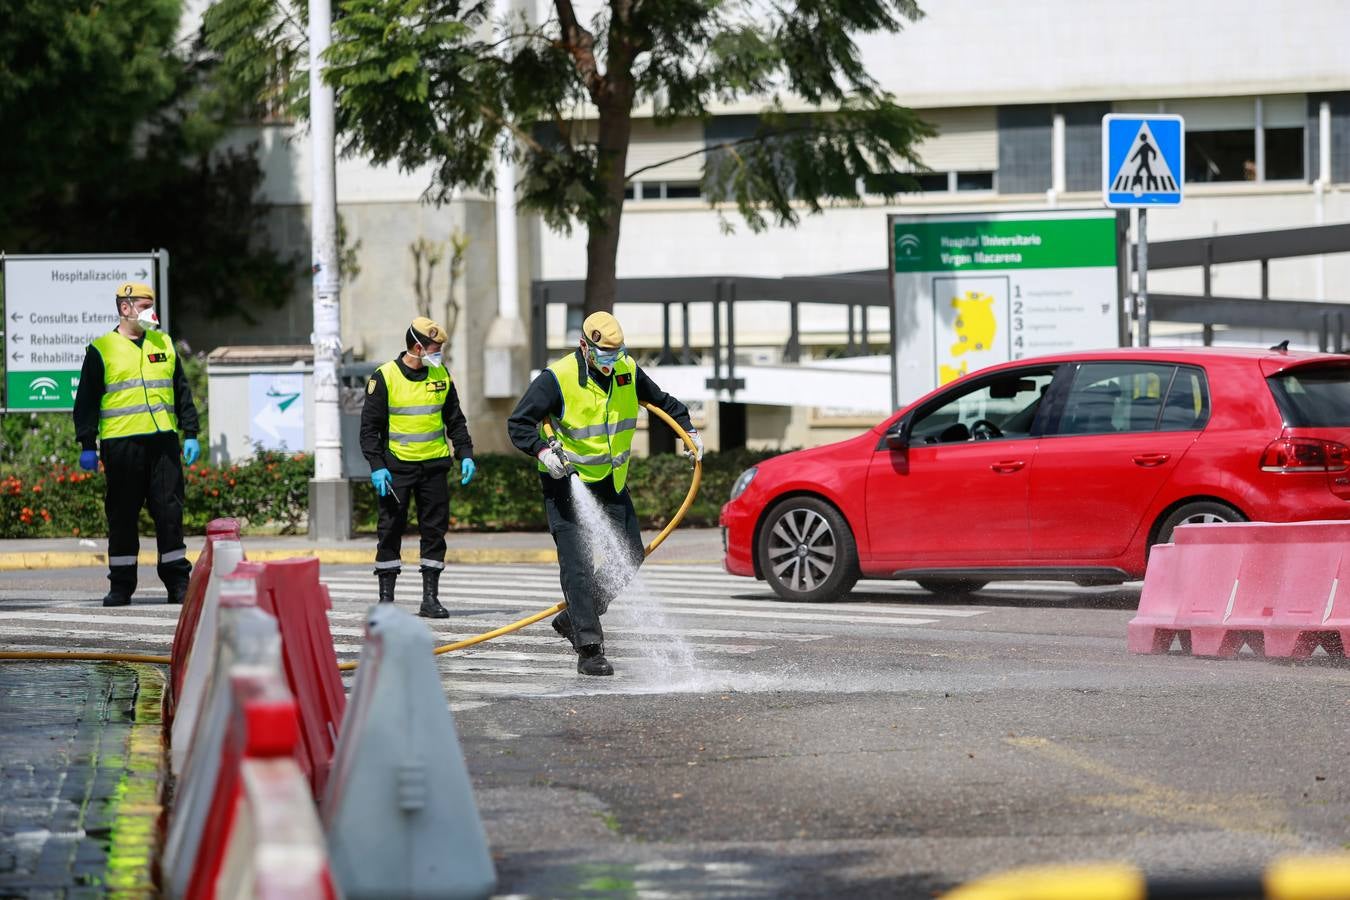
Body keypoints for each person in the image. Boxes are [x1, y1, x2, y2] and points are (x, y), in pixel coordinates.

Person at [507, 311, 703, 676]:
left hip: (610, 482)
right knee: (578, 565)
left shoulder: (627, 370)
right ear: (585, 346)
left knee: (629, 554)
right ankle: (590, 648)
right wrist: (543, 452)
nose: (611, 360)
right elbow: (518, 422)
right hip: (566, 484)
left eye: (617, 351)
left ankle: (575, 616)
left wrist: (688, 431)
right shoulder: (557, 378)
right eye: (604, 353)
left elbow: (662, 402)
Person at [73, 282, 201, 607]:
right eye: (143, 305)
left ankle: (178, 583)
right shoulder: (102, 348)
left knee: (169, 513)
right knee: (122, 516)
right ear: (125, 308)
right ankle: (121, 586)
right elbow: (86, 402)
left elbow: (182, 392)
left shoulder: (164, 344)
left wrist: (192, 433)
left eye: (151, 305)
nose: (149, 311)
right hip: (121, 444)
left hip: (164, 443)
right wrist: (87, 443)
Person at [359, 316, 476, 618]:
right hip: (396, 468)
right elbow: (369, 429)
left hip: (434, 467)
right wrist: (376, 465)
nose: (439, 353)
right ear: (418, 347)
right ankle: (386, 600)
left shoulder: (441, 375)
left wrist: (465, 453)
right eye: (435, 348)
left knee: (434, 532)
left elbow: (455, 420)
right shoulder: (384, 377)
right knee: (390, 530)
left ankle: (430, 599)